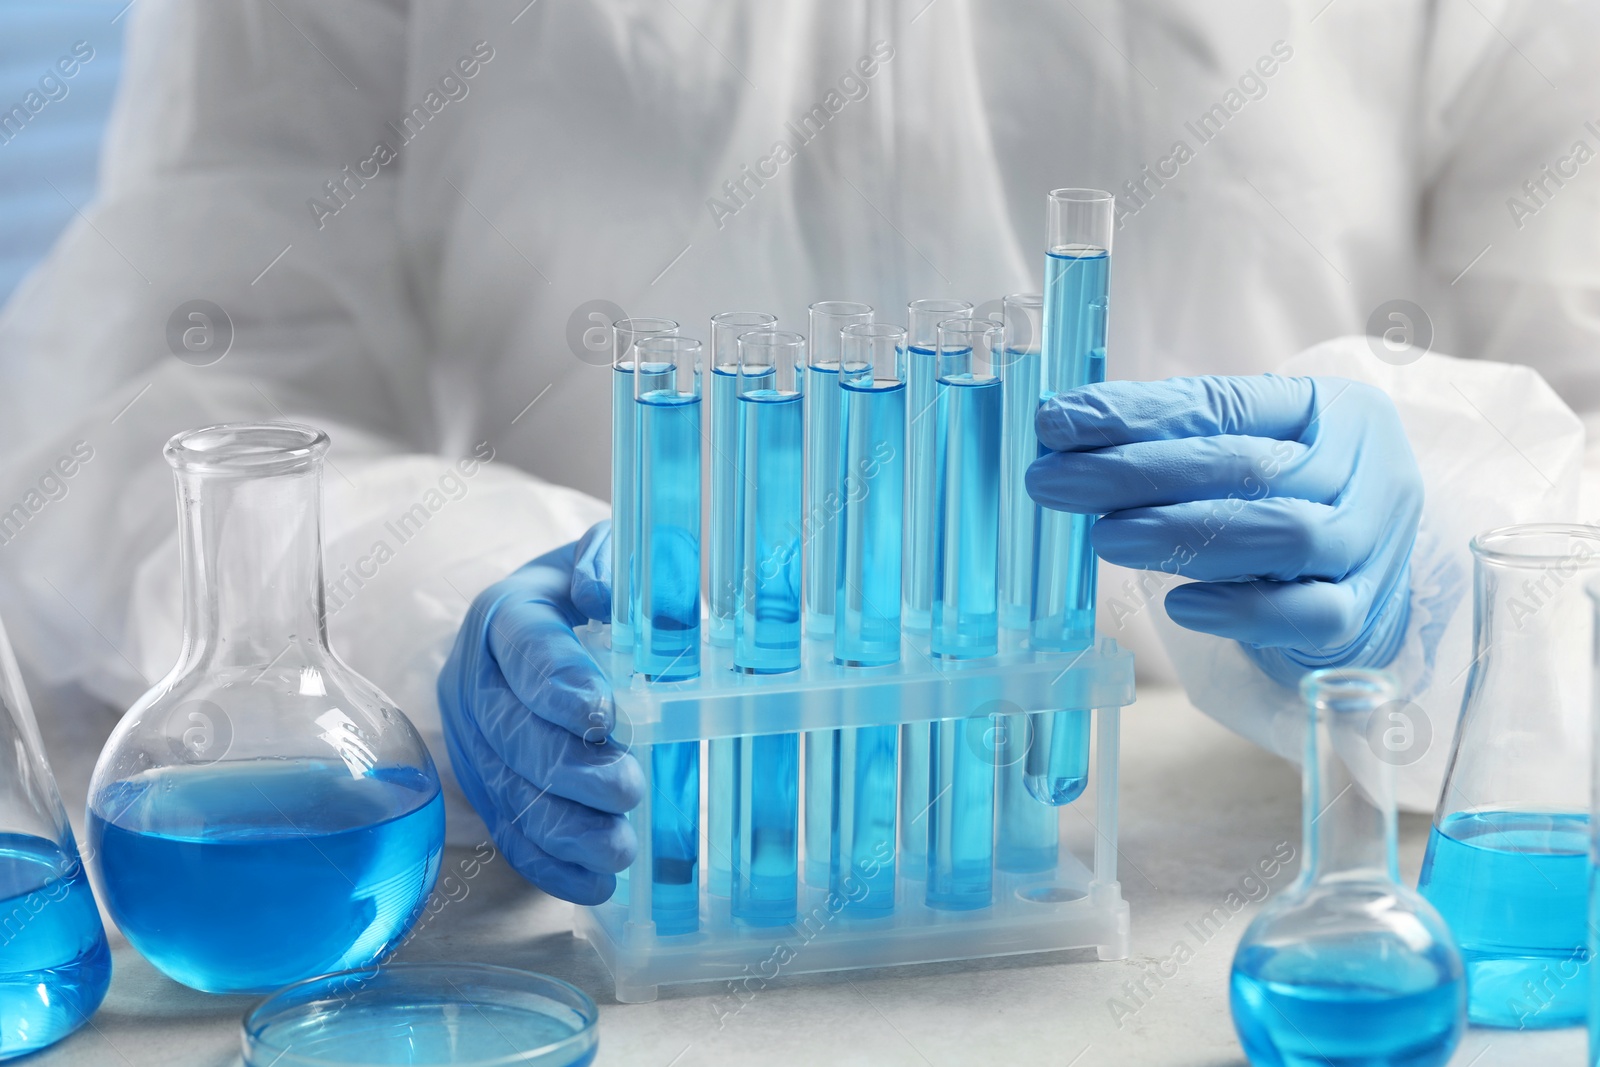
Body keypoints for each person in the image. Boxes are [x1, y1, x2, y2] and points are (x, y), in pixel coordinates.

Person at [0, 1, 1594, 905]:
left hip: (1191, 890)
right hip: (630, 878)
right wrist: (445, 612)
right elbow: (165, 391)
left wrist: (1451, 550)